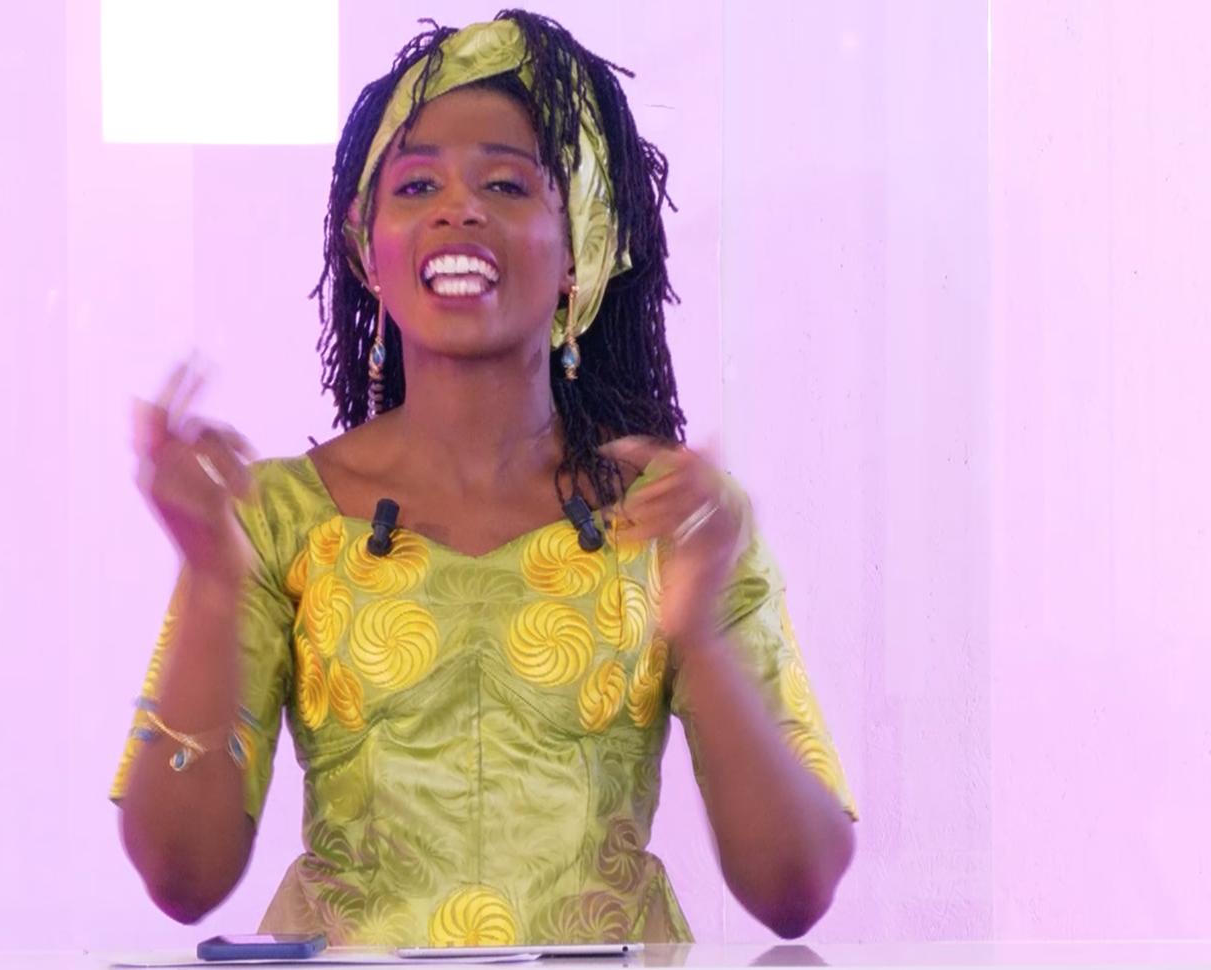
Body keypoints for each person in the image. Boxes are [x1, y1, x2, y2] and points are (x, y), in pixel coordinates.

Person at [112, 10, 857, 946]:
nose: (457, 209)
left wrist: (699, 631)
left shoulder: (674, 517)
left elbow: (798, 890)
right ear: (367, 249)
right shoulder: (274, 519)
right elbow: (180, 878)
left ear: (579, 250)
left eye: (505, 184)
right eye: (416, 185)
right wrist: (214, 583)